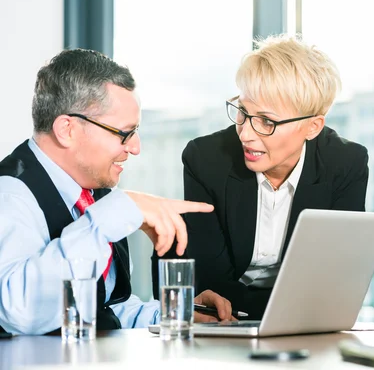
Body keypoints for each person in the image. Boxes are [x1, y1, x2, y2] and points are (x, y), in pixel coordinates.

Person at [0, 49, 234, 335]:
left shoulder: (95, 195)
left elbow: (106, 308)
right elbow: (18, 312)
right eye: (124, 133)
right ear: (67, 130)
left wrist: (175, 314)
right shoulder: (10, 194)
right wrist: (114, 214)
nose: (135, 147)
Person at [153, 35, 369, 319]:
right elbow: (211, 280)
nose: (245, 134)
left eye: (267, 121)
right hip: (227, 321)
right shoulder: (205, 159)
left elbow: (335, 278)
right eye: (243, 112)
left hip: (303, 322)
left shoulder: (345, 163)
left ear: (313, 127)